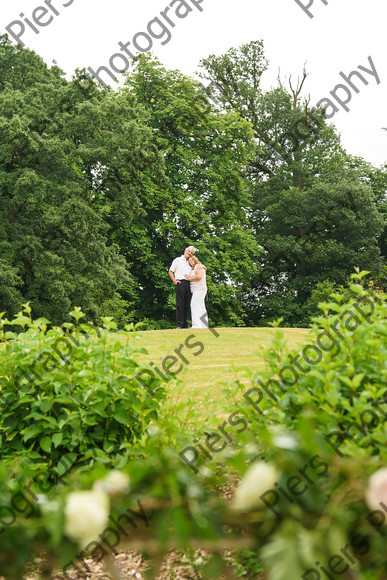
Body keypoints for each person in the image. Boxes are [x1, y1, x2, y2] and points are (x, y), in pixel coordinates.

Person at [168, 246, 196, 328]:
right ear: (185, 250)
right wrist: (175, 281)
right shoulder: (177, 260)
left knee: (187, 305)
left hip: (189, 284)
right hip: (180, 283)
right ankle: (179, 324)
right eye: (189, 251)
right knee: (180, 304)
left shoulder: (191, 262)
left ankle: (185, 324)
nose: (190, 253)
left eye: (191, 253)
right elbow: (170, 271)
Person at [184, 255, 208, 329]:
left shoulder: (198, 266)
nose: (191, 262)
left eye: (192, 260)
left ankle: (196, 325)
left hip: (200, 289)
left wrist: (189, 278)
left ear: (195, 260)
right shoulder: (194, 268)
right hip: (197, 289)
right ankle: (204, 325)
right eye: (189, 261)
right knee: (201, 307)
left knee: (194, 306)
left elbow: (199, 277)